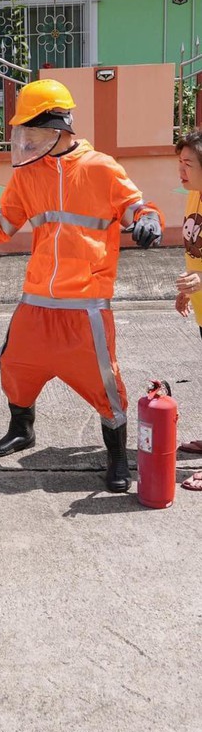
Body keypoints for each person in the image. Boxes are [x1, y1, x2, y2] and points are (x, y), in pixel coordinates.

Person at [0, 78, 164, 493]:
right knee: (14, 365)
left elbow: (138, 207)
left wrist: (148, 220)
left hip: (86, 305)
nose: (25, 139)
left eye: (31, 131)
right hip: (36, 301)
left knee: (106, 386)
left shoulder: (102, 168)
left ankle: (116, 460)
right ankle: (23, 429)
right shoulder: (28, 175)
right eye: (24, 132)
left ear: (58, 126)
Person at [173, 129, 202, 490]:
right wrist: (190, 289)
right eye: (178, 162)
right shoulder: (192, 197)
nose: (181, 170)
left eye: (188, 164)